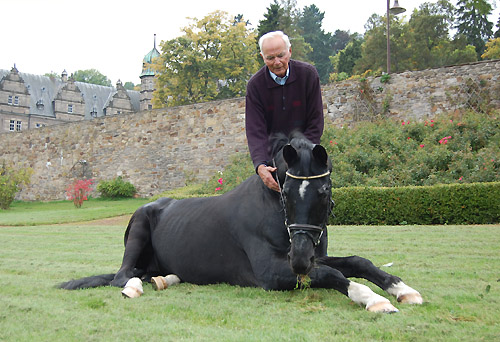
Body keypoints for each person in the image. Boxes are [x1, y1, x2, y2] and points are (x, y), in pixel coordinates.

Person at [245, 30, 324, 192]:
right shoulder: (255, 86)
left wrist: (301, 155)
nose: (277, 62)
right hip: (273, 160)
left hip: (306, 151)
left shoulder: (308, 75)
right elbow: (255, 131)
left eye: (281, 55)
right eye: (270, 58)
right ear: (262, 57)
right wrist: (260, 165)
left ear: (290, 51)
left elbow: (315, 121)